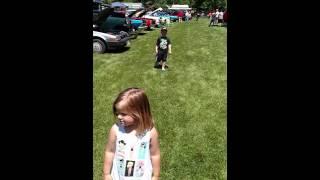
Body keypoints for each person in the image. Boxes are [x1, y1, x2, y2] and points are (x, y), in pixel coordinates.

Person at [103, 88, 161, 180]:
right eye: (117, 113)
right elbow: (109, 152)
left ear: (139, 113)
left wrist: (156, 175)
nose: (119, 116)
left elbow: (155, 155)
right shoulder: (116, 130)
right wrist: (106, 174)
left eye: (123, 114)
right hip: (119, 177)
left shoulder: (150, 132)